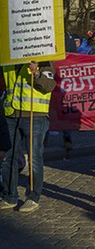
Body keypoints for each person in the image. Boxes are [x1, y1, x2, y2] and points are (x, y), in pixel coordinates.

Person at [1, 60, 56, 213]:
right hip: (11, 114)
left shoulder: (43, 60)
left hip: (34, 115)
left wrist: (36, 73)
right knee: (8, 157)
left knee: (34, 158)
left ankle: (33, 197)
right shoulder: (8, 59)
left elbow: (49, 86)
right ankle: (9, 196)